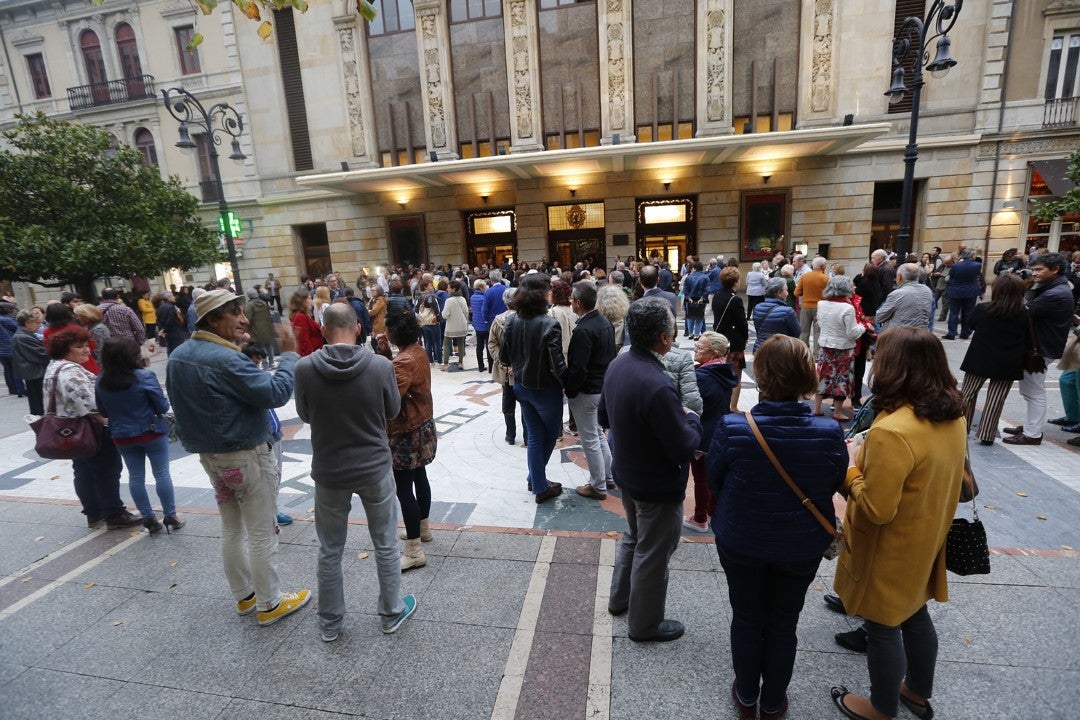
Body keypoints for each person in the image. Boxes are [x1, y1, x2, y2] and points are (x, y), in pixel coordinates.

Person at [830, 327, 967, 720]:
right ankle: (918, 692)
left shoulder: (893, 430)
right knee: (914, 613)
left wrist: (850, 468)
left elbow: (876, 508)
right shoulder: (950, 414)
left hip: (888, 546)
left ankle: (881, 707)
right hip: (927, 534)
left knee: (884, 623)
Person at [707, 335, 845, 720]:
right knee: (784, 621)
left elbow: (714, 479)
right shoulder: (828, 431)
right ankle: (773, 702)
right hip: (800, 543)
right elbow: (832, 481)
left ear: (762, 375)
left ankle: (747, 695)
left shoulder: (734, 427)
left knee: (748, 615)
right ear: (806, 376)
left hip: (742, 537)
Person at [166, 289, 310, 627]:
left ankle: (245, 595)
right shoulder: (226, 359)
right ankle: (270, 603)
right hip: (245, 456)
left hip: (212, 458)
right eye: (235, 312)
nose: (244, 319)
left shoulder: (179, 355)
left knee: (232, 527)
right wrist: (289, 355)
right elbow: (275, 393)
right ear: (213, 319)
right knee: (262, 531)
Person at [294, 303, 417, 640]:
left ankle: (330, 623)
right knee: (386, 543)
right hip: (375, 467)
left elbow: (305, 414)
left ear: (322, 329)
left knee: (330, 549)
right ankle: (391, 612)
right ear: (358, 328)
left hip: (329, 471)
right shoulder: (379, 366)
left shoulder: (305, 368)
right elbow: (393, 410)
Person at [600, 298, 701, 642]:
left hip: (627, 473)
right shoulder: (657, 384)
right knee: (653, 552)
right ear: (664, 338)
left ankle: (620, 600)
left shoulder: (619, 363)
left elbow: (603, 417)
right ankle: (644, 625)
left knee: (634, 538)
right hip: (655, 483)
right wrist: (692, 420)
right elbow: (684, 446)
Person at [44, 327, 143, 530]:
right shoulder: (70, 371)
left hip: (69, 431)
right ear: (64, 349)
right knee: (107, 469)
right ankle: (114, 514)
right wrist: (108, 416)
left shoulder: (53, 367)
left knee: (83, 470)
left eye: (86, 346)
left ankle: (93, 512)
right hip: (90, 429)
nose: (86, 350)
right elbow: (91, 403)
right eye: (79, 346)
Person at [95, 337, 183, 534]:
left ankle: (148, 517)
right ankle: (171, 515)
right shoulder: (145, 376)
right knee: (162, 474)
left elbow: (103, 411)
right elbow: (162, 405)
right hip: (151, 431)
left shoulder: (101, 380)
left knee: (135, 477)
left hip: (121, 435)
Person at [374, 310, 437, 571]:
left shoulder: (403, 362)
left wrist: (383, 360)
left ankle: (414, 551)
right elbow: (401, 379)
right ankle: (422, 529)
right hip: (423, 425)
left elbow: (391, 400)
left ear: (393, 333)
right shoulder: (417, 351)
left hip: (406, 431)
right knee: (420, 477)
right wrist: (387, 355)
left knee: (403, 489)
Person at [500, 273, 567, 503]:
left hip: (521, 386)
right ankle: (539, 485)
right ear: (541, 293)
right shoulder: (549, 324)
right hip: (546, 391)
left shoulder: (512, 320)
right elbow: (558, 366)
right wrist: (569, 383)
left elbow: (504, 356)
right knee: (548, 437)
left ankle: (536, 480)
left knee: (536, 437)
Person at [1003, 252, 1077, 446]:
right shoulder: (1054, 287)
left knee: (1034, 391)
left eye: (1039, 270)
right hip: (1041, 346)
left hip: (1040, 348)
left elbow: (1024, 312)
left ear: (1055, 270)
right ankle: (1030, 426)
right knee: (1031, 391)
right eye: (1034, 269)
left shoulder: (1055, 293)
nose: (1034, 273)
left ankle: (1032, 433)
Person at [959, 274, 1031, 446]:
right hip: (1009, 361)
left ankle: (962, 430)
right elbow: (1028, 338)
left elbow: (970, 325)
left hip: (980, 358)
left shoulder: (983, 309)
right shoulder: (1025, 314)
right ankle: (987, 434)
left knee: (967, 394)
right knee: (996, 398)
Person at [565, 281, 617, 501]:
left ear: (577, 303)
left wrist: (570, 390)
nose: (570, 303)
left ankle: (598, 486)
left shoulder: (584, 329)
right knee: (597, 435)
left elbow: (578, 368)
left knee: (590, 439)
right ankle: (608, 477)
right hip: (602, 387)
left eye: (572, 300)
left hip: (588, 391)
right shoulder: (604, 322)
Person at [684, 332, 738, 533]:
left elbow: (691, 404)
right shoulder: (723, 371)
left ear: (714, 352)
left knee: (701, 478)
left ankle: (699, 519)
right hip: (719, 429)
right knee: (713, 476)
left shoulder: (703, 377)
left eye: (700, 348)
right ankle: (712, 513)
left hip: (703, 433)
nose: (695, 351)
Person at [813, 276, 866, 421]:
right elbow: (852, 332)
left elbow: (820, 322)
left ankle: (817, 408)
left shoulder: (821, 303)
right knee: (841, 379)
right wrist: (863, 326)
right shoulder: (847, 307)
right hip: (844, 348)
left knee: (824, 376)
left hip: (825, 345)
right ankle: (837, 412)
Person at [488, 288, 527, 445]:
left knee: (508, 402)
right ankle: (527, 436)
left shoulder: (497, 321)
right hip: (523, 371)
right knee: (525, 404)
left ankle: (510, 435)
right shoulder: (526, 320)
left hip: (505, 371)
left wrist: (502, 363)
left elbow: (492, 344)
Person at [711, 267, 748, 412]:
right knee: (736, 376)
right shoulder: (735, 299)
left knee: (721, 373)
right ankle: (733, 406)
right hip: (734, 341)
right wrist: (745, 338)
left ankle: (722, 404)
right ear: (735, 281)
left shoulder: (717, 295)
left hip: (720, 340)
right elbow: (742, 323)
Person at [11, 308, 50, 415]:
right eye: (37, 323)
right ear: (28, 323)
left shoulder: (24, 335)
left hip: (33, 373)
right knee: (39, 403)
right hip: (35, 374)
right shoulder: (23, 337)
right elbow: (41, 354)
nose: (39, 326)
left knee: (38, 402)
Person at [875, 263, 934, 330]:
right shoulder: (927, 290)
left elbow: (879, 317)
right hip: (922, 333)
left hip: (900, 335)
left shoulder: (897, 294)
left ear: (900, 277)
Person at [753, 278, 801, 351]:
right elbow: (796, 333)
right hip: (780, 351)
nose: (787, 293)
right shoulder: (788, 311)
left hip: (760, 349)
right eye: (786, 290)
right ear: (779, 292)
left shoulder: (757, 308)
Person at [943, 249, 982, 340]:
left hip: (956, 291)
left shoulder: (955, 266)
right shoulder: (977, 265)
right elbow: (978, 276)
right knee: (968, 313)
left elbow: (951, 277)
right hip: (971, 291)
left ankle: (952, 333)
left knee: (953, 313)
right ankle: (965, 333)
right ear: (972, 256)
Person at [794, 256, 829, 352]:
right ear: (823, 266)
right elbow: (829, 294)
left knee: (804, 331)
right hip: (820, 307)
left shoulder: (805, 276)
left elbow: (796, 293)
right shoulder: (825, 278)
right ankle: (816, 354)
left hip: (805, 307)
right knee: (818, 332)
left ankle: (803, 353)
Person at [441, 279, 469, 371]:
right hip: (462, 324)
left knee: (446, 344)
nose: (447, 289)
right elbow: (466, 312)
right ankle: (461, 362)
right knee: (461, 344)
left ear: (453, 289)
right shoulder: (462, 299)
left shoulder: (449, 300)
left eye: (448, 288)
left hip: (451, 326)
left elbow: (445, 315)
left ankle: (445, 364)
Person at [245, 289, 276, 367]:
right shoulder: (264, 303)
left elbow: (248, 318)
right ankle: (271, 362)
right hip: (267, 327)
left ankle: (265, 364)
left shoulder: (249, 305)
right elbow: (269, 314)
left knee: (261, 347)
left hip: (256, 329)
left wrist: (247, 328)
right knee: (269, 345)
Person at [0, 302, 24, 398]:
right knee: (15, 369)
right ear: (9, 310)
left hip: (2, 349)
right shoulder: (7, 319)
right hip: (9, 347)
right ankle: (20, 390)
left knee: (8, 369)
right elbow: (18, 328)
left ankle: (12, 388)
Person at [289, 290, 323, 358]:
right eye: (309, 298)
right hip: (310, 355)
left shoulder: (303, 315)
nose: (312, 301)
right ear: (302, 301)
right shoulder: (300, 317)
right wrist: (312, 357)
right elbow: (304, 341)